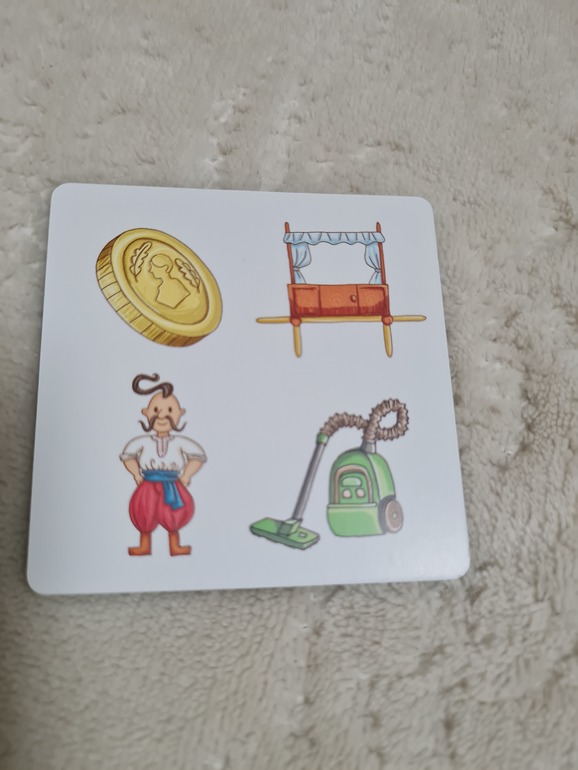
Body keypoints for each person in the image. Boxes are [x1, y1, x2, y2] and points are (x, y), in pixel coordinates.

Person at [120, 373, 206, 556]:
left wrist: (186, 475)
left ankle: (175, 546)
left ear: (180, 413)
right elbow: (128, 456)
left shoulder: (181, 442)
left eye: (170, 410)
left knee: (174, 513)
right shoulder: (142, 441)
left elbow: (197, 456)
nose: (162, 416)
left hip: (173, 483)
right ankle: (144, 545)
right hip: (148, 483)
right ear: (146, 412)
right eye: (156, 410)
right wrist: (136, 474)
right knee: (144, 511)